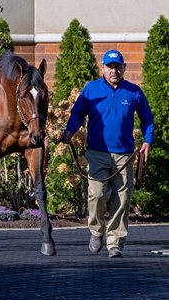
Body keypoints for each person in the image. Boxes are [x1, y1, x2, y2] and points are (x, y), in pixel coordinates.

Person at [59, 49, 154, 258]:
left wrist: (147, 141)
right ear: (102, 68)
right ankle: (96, 230)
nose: (114, 70)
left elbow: (147, 119)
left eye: (118, 67)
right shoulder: (91, 90)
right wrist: (69, 131)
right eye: (110, 67)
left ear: (124, 68)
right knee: (97, 195)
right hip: (97, 152)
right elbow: (77, 114)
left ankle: (115, 243)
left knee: (122, 199)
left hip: (124, 155)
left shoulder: (133, 91)